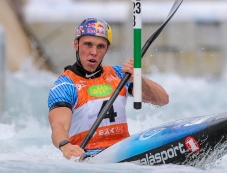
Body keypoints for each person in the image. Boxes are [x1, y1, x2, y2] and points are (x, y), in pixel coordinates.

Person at [47, 18, 169, 160]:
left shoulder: (119, 74)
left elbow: (162, 100)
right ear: (76, 44)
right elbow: (58, 124)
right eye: (88, 44)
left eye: (100, 47)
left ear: (107, 49)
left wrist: (139, 77)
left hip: (123, 151)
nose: (94, 52)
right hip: (88, 157)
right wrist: (65, 145)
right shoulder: (65, 85)